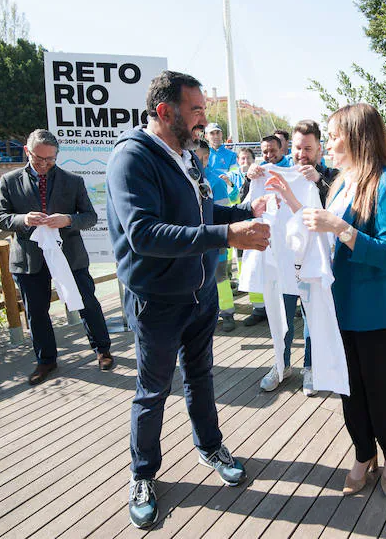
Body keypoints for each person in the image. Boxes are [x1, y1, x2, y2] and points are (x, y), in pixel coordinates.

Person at [106, 71, 272, 529]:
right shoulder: (132, 159)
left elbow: (202, 211)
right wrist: (226, 234)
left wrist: (243, 215)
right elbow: (144, 234)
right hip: (157, 301)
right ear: (165, 111)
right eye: (196, 109)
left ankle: (210, 446)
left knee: (200, 376)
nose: (204, 117)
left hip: (198, 295)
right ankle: (142, 475)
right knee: (153, 390)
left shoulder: (186, 156)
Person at [270, 103, 386, 498]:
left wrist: (342, 227)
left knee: (381, 393)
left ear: (356, 137)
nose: (328, 144)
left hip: (380, 311)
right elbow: (321, 232)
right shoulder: (342, 182)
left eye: (333, 136)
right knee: (349, 391)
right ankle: (363, 454)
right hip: (341, 307)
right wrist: (294, 204)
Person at [0, 129, 113, 385]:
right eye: (39, 159)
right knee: (36, 312)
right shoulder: (9, 180)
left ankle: (102, 349)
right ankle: (46, 360)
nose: (44, 164)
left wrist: (68, 219)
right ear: (27, 151)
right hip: (29, 258)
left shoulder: (73, 180)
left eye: (50, 159)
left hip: (69, 254)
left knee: (87, 303)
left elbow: (90, 217)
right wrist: (23, 219)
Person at [258, 119, 341, 396]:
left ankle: (310, 367)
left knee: (311, 316)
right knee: (282, 313)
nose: (301, 154)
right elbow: (252, 203)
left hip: (315, 258)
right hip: (284, 257)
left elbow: (340, 204)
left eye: (308, 148)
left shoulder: (331, 175)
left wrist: (320, 181)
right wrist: (251, 177)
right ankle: (281, 365)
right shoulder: (278, 174)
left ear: (319, 148)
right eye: (297, 147)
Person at [242, 135, 295, 327]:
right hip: (268, 239)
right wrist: (249, 178)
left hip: (289, 239)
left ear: (282, 150)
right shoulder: (258, 173)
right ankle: (261, 310)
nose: (269, 155)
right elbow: (244, 203)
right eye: (264, 151)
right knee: (268, 280)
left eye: (273, 150)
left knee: (288, 285)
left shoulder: (293, 169)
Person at [195, 140, 240, 332]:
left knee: (219, 274)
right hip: (194, 238)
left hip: (214, 237)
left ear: (205, 157)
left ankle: (227, 313)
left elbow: (224, 209)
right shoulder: (186, 177)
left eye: (194, 155)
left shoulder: (216, 180)